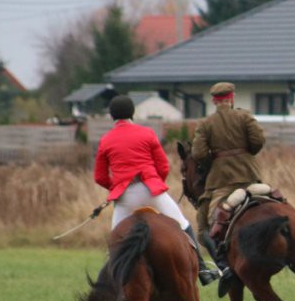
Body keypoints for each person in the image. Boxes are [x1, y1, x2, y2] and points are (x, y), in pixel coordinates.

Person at [93, 94, 220, 286]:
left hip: (126, 196)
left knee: (116, 240)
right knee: (183, 224)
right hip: (151, 191)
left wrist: (117, 188)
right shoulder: (147, 133)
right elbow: (163, 166)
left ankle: (117, 283)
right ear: (132, 113)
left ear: (111, 116)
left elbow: (100, 177)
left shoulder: (106, 139)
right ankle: (202, 269)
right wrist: (154, 183)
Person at [191, 81, 266, 297]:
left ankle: (224, 266)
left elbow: (198, 153)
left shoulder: (206, 123)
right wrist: (246, 152)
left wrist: (212, 160)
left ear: (214, 101)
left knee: (204, 222)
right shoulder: (245, 116)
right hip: (250, 175)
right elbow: (258, 141)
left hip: (221, 182)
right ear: (232, 98)